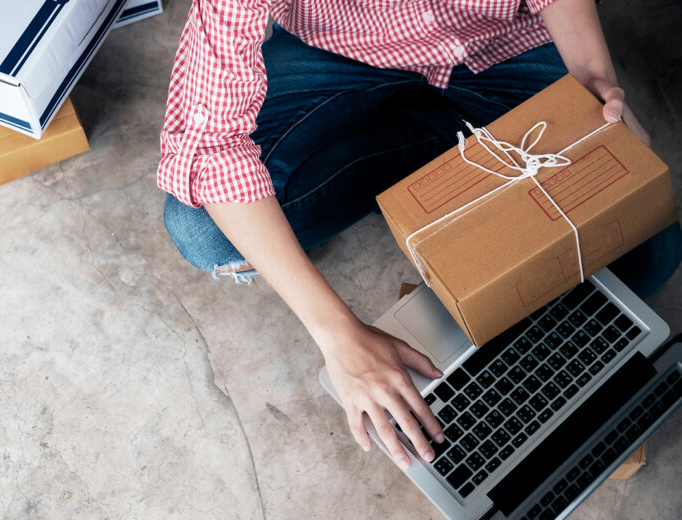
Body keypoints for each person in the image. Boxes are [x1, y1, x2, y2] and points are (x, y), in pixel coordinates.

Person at [159, 0, 682, 470]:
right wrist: (341, 338)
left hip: (503, 45)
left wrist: (593, 85)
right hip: (340, 51)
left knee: (646, 244)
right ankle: (451, 161)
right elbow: (212, 142)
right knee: (205, 230)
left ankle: (438, 162)